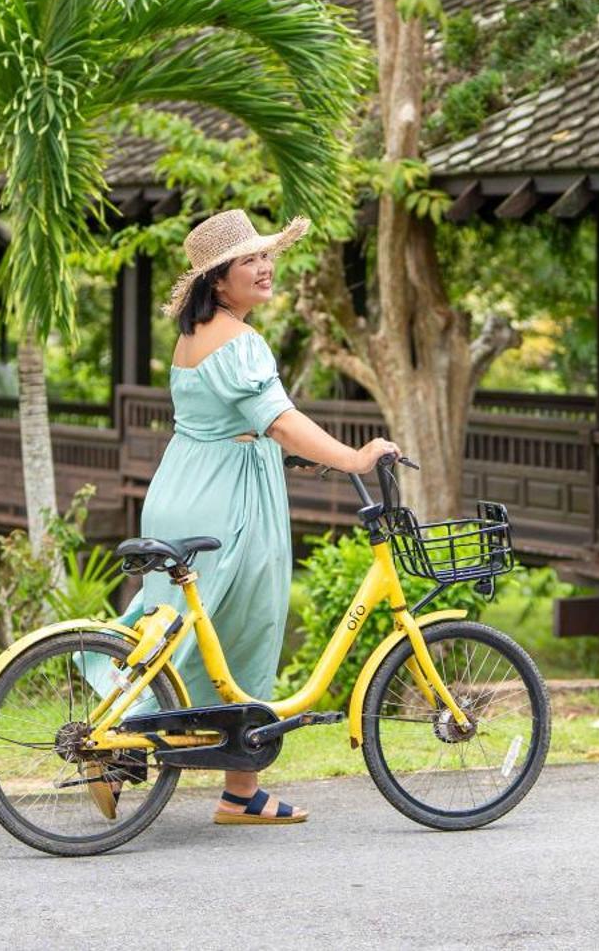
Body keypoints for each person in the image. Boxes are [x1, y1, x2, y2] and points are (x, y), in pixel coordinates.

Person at [120, 208, 397, 826]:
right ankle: (217, 780)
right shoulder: (239, 341)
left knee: (174, 629)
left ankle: (140, 753)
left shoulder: (196, 336)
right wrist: (354, 456)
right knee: (245, 628)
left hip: (186, 482)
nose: (266, 267)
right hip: (229, 500)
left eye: (266, 255)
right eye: (250, 260)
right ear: (219, 280)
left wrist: (288, 457)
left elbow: (232, 423)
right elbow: (279, 422)